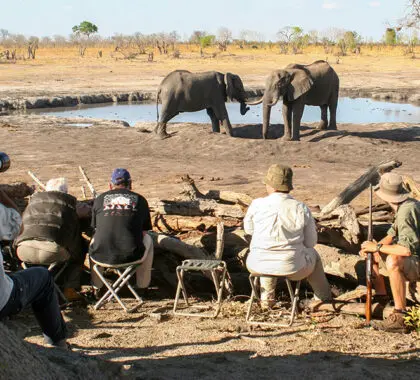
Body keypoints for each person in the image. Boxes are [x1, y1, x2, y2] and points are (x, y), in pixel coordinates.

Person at [244, 164, 331, 308]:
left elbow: (249, 230)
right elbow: (311, 243)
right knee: (313, 254)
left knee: (265, 252)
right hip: (293, 268)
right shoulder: (300, 207)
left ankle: (267, 299)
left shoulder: (256, 204)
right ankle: (323, 298)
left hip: (256, 265)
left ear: (270, 185)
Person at [0, 181, 67, 348]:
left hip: (24, 249)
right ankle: (58, 347)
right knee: (43, 277)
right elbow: (17, 227)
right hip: (2, 300)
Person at [359, 172, 420, 333]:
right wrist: (371, 248)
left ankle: (400, 316)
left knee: (394, 260)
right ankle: (381, 297)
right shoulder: (407, 205)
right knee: (376, 254)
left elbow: (406, 250)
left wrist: (377, 248)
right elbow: (392, 235)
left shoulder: (406, 211)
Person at [15, 178, 84, 301]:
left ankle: (26, 290)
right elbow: (73, 234)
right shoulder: (67, 204)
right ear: (66, 192)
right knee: (80, 249)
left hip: (22, 250)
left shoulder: (32, 202)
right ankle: (69, 289)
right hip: (51, 252)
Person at [89, 168, 154, 296]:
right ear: (130, 184)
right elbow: (144, 232)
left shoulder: (100, 199)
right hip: (132, 256)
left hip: (100, 255)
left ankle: (97, 287)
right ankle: (142, 287)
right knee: (149, 240)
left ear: (110, 185)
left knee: (94, 239)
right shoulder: (140, 200)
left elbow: (95, 227)